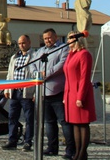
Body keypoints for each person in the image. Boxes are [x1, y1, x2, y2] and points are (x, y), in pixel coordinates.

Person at [36, 28, 75, 158]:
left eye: (49, 38)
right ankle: (52, 147)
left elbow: (62, 65)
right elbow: (33, 65)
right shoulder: (41, 51)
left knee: (64, 122)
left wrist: (46, 74)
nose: (47, 40)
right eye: (45, 38)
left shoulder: (63, 48)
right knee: (49, 122)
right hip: (44, 91)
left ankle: (71, 149)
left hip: (58, 90)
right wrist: (37, 74)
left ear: (55, 37)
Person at [63, 31, 97, 160]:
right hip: (70, 93)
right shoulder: (70, 55)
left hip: (80, 93)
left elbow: (84, 77)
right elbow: (67, 77)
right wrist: (65, 96)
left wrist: (80, 97)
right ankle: (77, 153)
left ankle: (82, 154)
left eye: (71, 38)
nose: (68, 41)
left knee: (83, 124)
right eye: (67, 38)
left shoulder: (84, 54)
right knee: (75, 124)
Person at [2, 34, 36, 152]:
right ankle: (12, 140)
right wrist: (7, 89)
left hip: (27, 92)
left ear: (29, 42)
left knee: (29, 118)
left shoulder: (34, 56)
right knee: (12, 117)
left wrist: (36, 93)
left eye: (24, 43)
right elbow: (9, 74)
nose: (21, 45)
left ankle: (27, 142)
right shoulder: (14, 57)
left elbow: (35, 74)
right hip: (15, 91)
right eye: (20, 43)